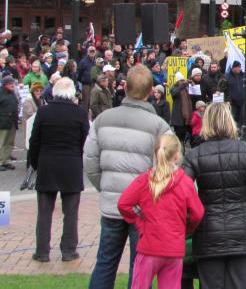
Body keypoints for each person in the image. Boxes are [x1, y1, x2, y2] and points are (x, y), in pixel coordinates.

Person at [84, 64, 172, 289]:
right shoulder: (159, 126)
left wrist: (106, 187)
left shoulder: (104, 119)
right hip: (141, 206)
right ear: (150, 91)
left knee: (106, 262)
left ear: (125, 87)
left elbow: (90, 161)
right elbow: (167, 168)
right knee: (138, 265)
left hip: (117, 203)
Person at [183, 103, 246, 289]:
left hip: (207, 231)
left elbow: (182, 190)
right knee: (239, 284)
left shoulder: (194, 155)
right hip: (242, 229)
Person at [118, 134, 205, 289]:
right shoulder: (185, 183)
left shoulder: (145, 180)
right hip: (174, 249)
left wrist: (139, 222)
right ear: (177, 156)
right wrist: (185, 229)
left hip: (149, 247)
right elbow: (197, 213)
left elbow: (123, 203)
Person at [28, 77, 89, 262]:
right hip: (71, 165)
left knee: (44, 213)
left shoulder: (44, 112)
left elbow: (34, 141)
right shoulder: (80, 113)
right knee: (70, 213)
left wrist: (35, 164)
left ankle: (42, 252)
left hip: (47, 164)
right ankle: (68, 251)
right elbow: (85, 141)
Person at [0, 76, 18, 171]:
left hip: (12, 122)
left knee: (10, 143)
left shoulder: (12, 93)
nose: (13, 85)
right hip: (3, 122)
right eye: (11, 83)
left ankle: (5, 161)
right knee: (2, 142)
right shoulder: (1, 93)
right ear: (5, 84)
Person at [170, 72, 193, 144]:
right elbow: (174, 93)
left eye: (183, 80)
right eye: (181, 80)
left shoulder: (185, 88)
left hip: (186, 118)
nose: (182, 82)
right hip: (178, 118)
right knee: (179, 138)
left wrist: (192, 83)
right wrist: (183, 85)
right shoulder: (173, 88)